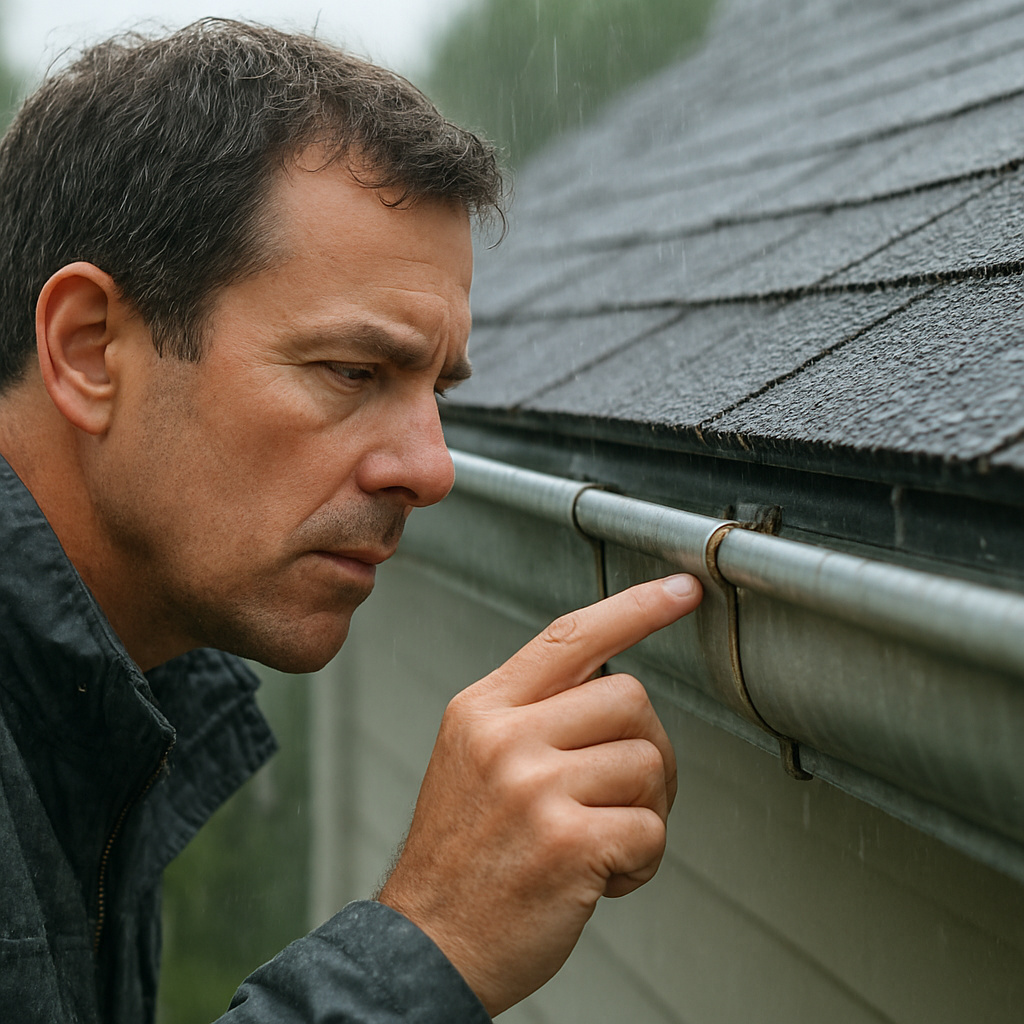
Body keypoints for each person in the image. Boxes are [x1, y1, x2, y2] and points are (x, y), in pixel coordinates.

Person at [0, 20, 703, 1024]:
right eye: (351, 372)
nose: (430, 469)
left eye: (435, 390)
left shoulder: (94, 703)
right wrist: (430, 942)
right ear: (88, 350)